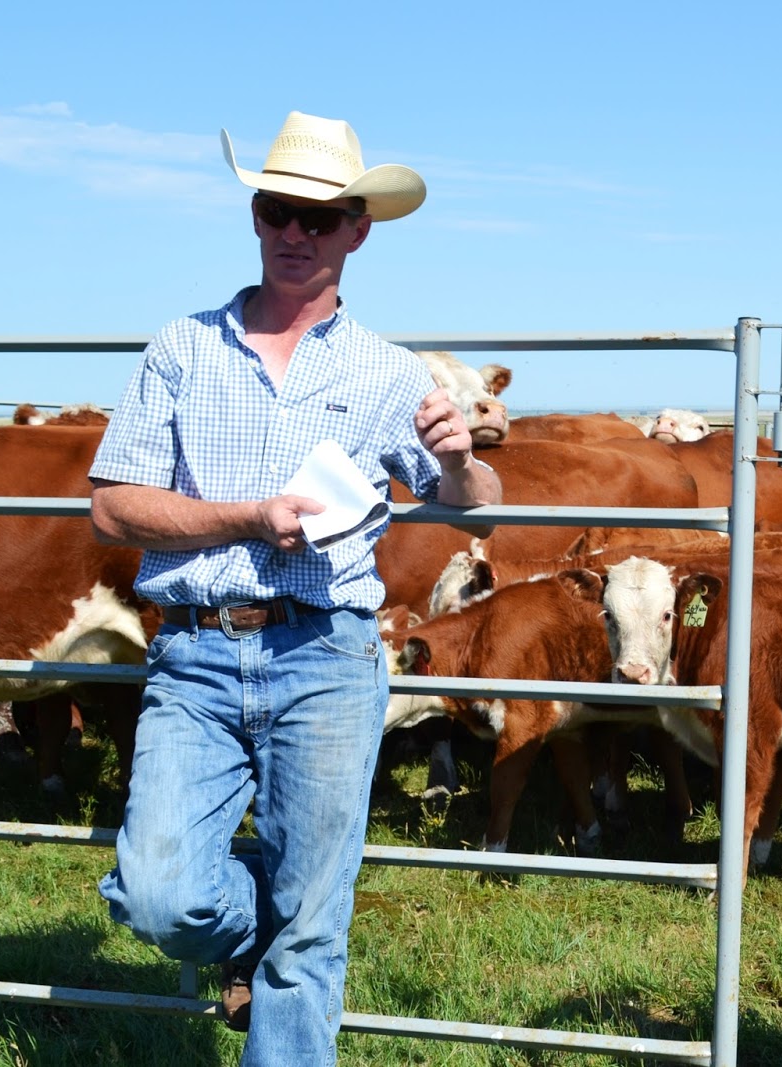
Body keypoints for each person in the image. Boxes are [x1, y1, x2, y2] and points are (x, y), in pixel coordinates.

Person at [87, 110, 502, 1065]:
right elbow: (112, 508)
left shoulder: (392, 371)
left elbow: (475, 510)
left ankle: (289, 952)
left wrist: (460, 458)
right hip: (194, 650)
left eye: (321, 216)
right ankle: (261, 933)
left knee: (313, 936)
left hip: (327, 652)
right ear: (255, 214)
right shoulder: (180, 349)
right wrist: (244, 516)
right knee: (157, 892)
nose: (295, 232)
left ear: (360, 227)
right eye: (278, 209)